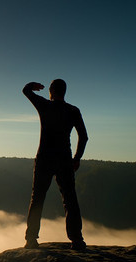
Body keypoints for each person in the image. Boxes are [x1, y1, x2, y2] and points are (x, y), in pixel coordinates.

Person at [22, 79, 88, 250]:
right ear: (64, 91)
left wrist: (33, 86)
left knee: (37, 198)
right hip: (64, 159)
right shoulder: (73, 110)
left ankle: (31, 239)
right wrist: (77, 158)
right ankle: (77, 240)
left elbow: (26, 91)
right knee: (70, 199)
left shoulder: (45, 106)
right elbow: (84, 136)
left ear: (51, 90)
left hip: (44, 158)